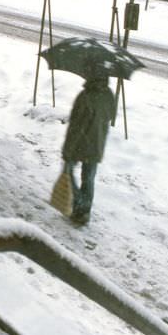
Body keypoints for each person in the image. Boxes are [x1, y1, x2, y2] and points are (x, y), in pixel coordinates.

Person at [61, 76, 116, 224]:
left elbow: (76, 125)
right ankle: (84, 213)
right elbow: (112, 115)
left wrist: (68, 149)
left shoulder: (84, 96)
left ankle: (79, 203)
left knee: (67, 172)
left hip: (80, 143)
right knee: (89, 179)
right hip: (97, 144)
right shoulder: (109, 94)